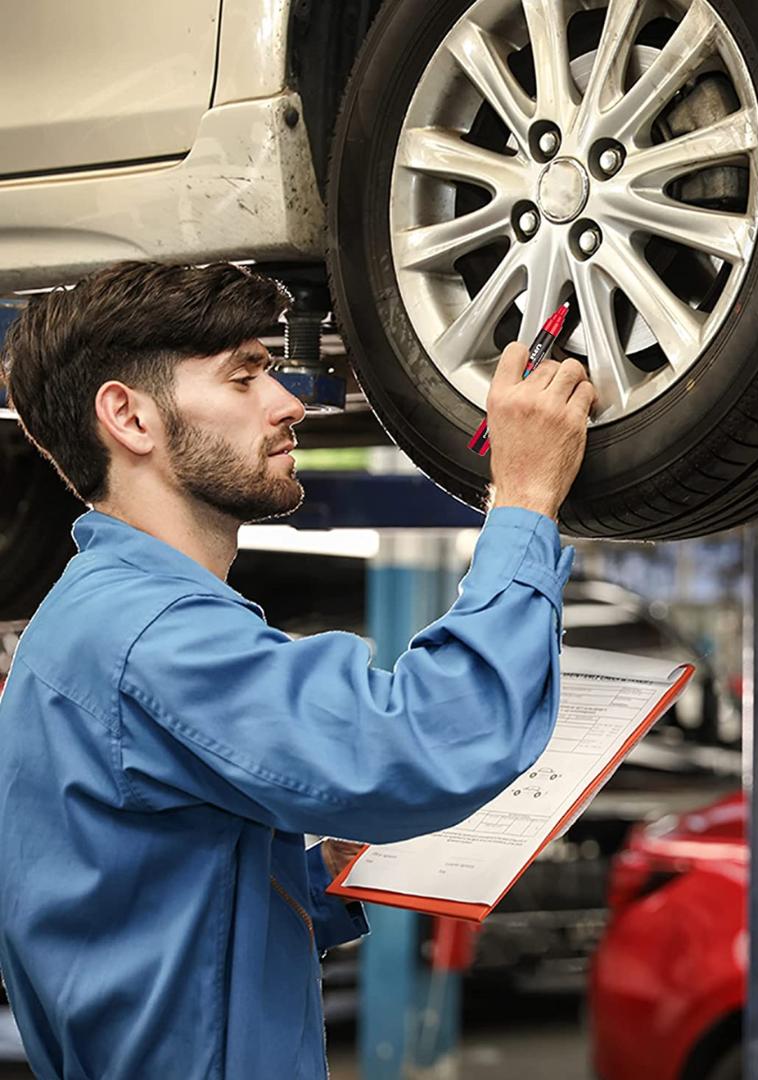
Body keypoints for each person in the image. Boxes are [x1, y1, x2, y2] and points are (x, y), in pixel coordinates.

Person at [0, 261, 596, 1079]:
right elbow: (425, 741)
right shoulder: (150, 637)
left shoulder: (93, 621)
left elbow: (148, 914)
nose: (290, 402)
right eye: (245, 376)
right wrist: (525, 496)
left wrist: (324, 878)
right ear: (129, 417)